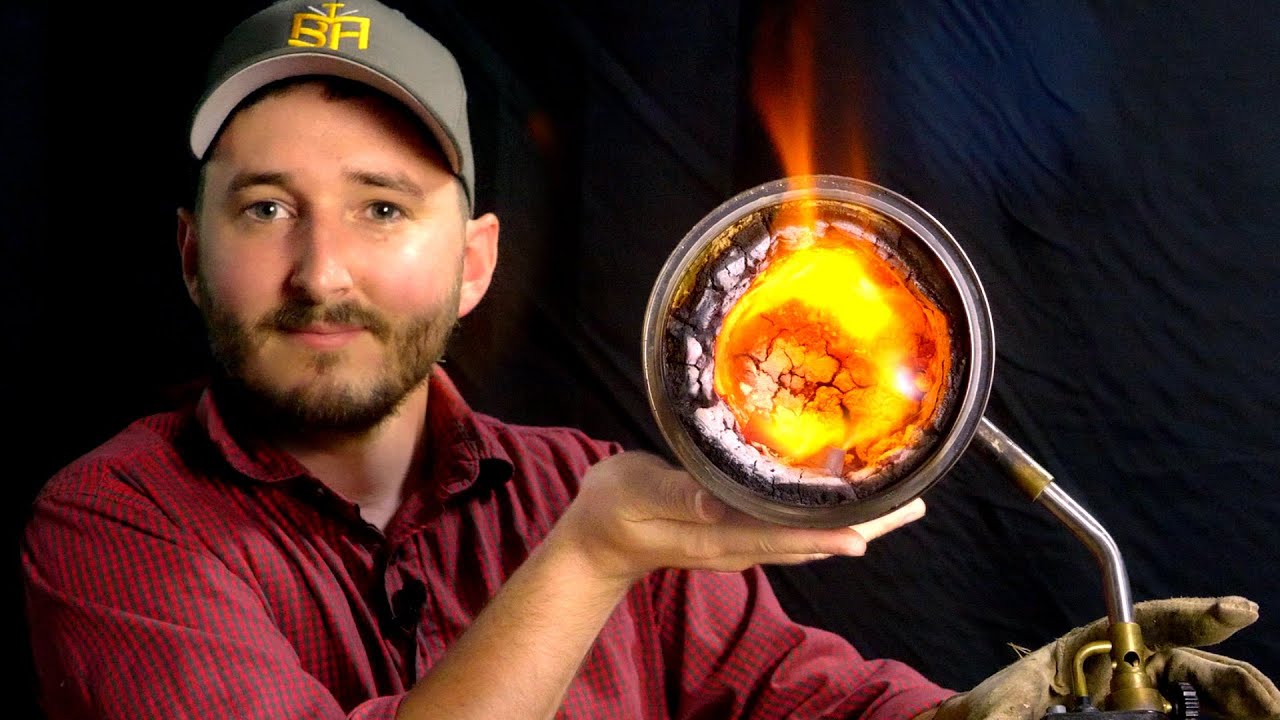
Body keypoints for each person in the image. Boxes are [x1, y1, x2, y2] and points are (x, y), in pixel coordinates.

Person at [20, 2, 1280, 719]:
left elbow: (810, 704)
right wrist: (590, 557)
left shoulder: (570, 484)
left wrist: (1013, 715)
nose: (321, 271)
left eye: (382, 208)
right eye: (264, 208)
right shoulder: (111, 524)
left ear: (473, 262)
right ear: (190, 255)